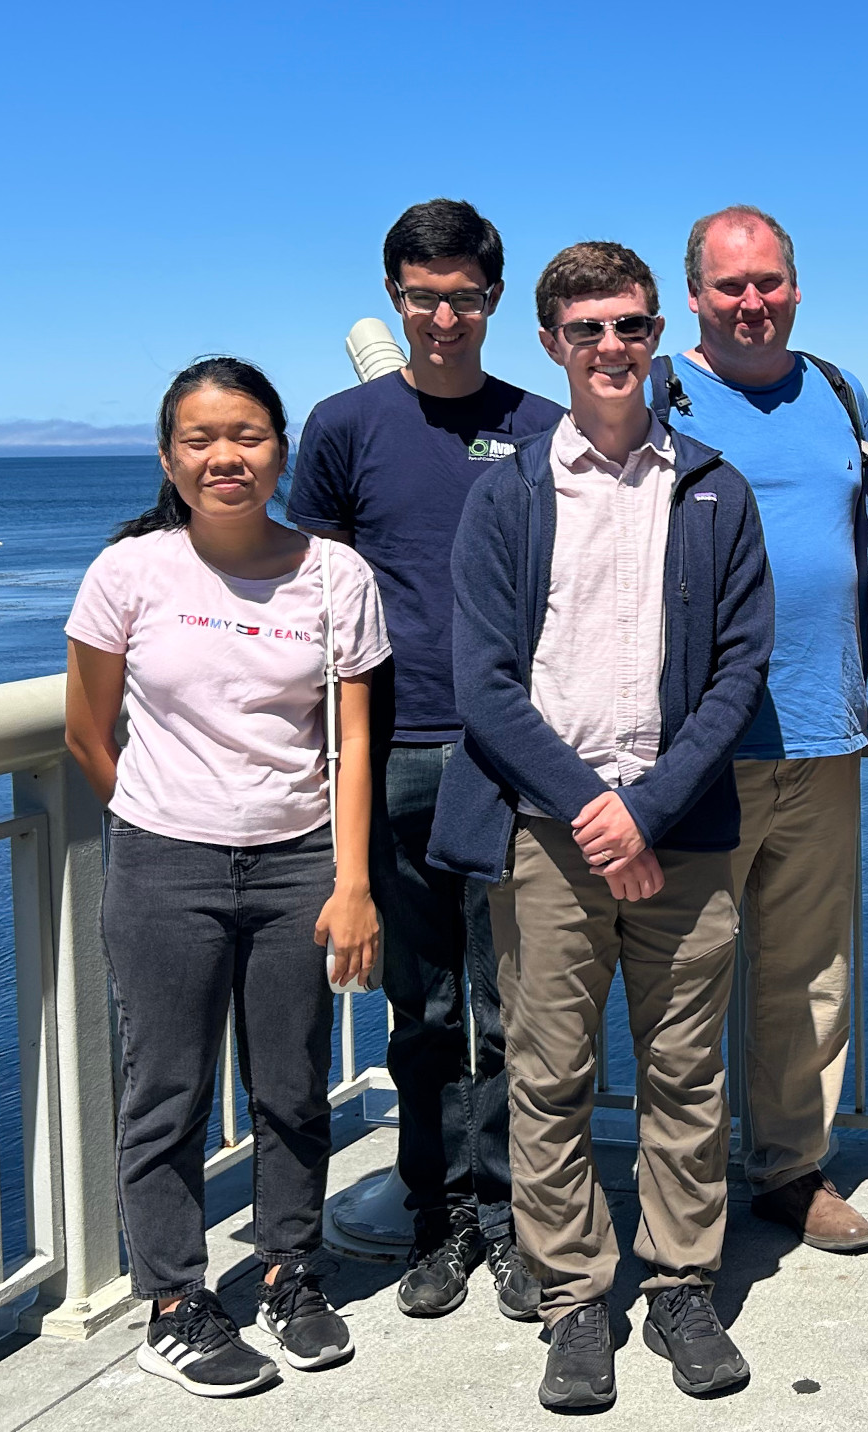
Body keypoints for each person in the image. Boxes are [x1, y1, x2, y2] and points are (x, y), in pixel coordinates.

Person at [428, 242, 773, 1411]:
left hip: (681, 829)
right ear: (552, 344)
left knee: (685, 1074)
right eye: (588, 332)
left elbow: (738, 672)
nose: (613, 349)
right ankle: (576, 1296)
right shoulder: (509, 492)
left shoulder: (716, 489)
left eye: (630, 327)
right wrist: (591, 809)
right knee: (550, 1075)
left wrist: (647, 808)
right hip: (547, 836)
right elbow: (482, 682)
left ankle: (681, 1282)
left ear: (655, 334)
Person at [64, 358, 390, 1396]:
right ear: (169, 457)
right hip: (164, 865)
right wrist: (166, 817)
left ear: (281, 448)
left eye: (246, 435)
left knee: (292, 1086)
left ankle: (293, 1272)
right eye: (200, 439)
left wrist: (352, 884)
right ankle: (174, 1301)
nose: (225, 457)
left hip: (300, 863)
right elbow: (85, 729)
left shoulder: (337, 575)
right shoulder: (131, 572)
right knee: (167, 1090)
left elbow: (352, 744)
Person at [288, 199, 562, 1322]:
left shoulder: (545, 422)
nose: (443, 317)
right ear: (396, 298)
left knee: (514, 1010)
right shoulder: (344, 426)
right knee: (425, 1009)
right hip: (396, 746)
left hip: (515, 755)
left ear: (495, 300)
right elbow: (307, 588)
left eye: (463, 296)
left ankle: (510, 1215)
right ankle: (437, 1211)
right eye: (422, 297)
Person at [653, 205, 868, 1253]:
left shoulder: (838, 391)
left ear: (795, 286)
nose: (752, 302)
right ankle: (684, 1188)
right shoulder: (658, 392)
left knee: (807, 972)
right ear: (693, 293)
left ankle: (790, 1170)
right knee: (687, 978)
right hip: (700, 747)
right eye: (730, 285)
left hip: (826, 734)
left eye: (769, 282)